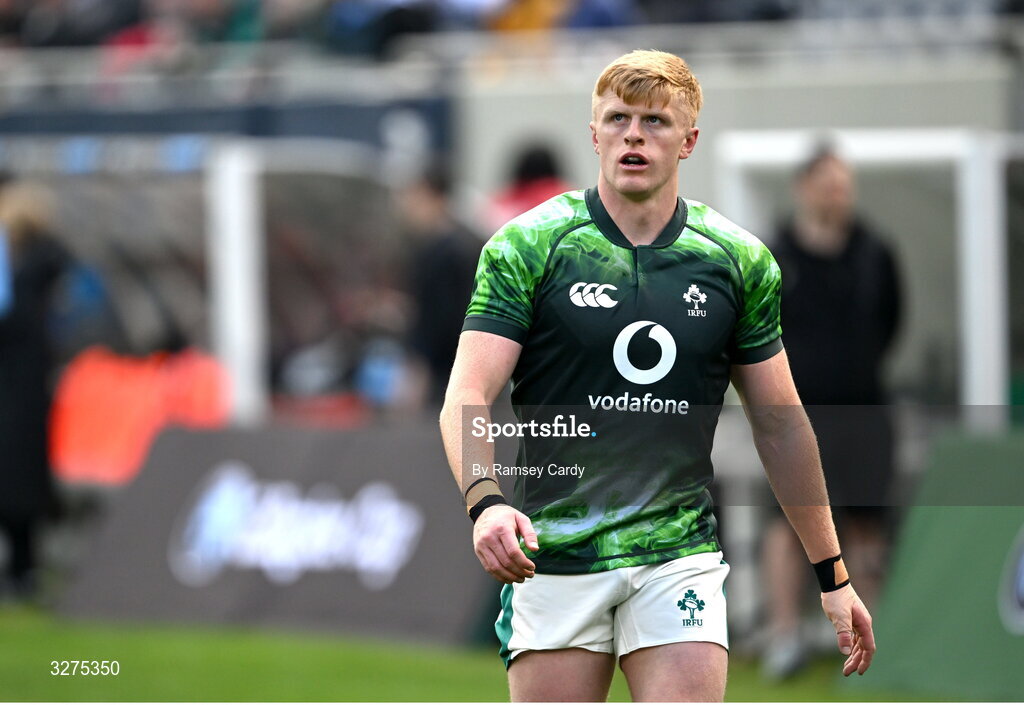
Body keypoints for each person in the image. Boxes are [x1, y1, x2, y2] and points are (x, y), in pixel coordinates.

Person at [439, 49, 876, 701]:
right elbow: (468, 393)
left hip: (678, 553)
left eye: (654, 121)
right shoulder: (528, 246)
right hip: (554, 552)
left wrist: (833, 576)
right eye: (617, 119)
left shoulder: (736, 262)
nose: (633, 135)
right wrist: (485, 501)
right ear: (594, 134)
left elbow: (781, 425)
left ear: (689, 140)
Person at [760, 146, 901, 680]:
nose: (836, 194)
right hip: (797, 414)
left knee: (867, 522)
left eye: (844, 184)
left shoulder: (874, 253)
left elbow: (891, 320)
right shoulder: (776, 255)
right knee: (785, 525)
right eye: (827, 184)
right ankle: (783, 636)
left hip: (864, 411)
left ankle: (872, 639)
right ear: (803, 187)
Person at [0, 180, 71, 602]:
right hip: (25, 386)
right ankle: (22, 567)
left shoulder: (31, 267)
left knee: (18, 476)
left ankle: (23, 568)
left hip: (19, 388)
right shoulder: (39, 263)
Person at [400, 162, 480, 408]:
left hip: (446, 379)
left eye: (414, 196)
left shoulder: (445, 253)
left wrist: (418, 374)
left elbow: (439, 322)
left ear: (433, 196)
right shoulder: (466, 243)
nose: (407, 206)